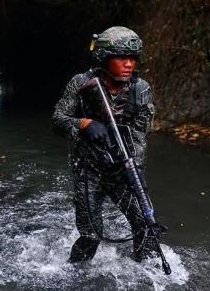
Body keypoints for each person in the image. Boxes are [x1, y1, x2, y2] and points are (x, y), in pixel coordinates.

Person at [52, 26, 156, 263]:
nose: (129, 64)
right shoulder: (81, 82)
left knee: (146, 224)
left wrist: (135, 170)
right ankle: (73, 276)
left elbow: (140, 136)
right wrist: (84, 124)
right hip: (88, 171)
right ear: (104, 58)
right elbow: (57, 121)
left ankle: (146, 274)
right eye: (122, 58)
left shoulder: (141, 90)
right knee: (91, 236)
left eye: (132, 58)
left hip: (123, 168)